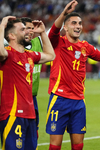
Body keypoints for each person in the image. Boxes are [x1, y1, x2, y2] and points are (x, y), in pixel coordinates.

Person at [46, 1, 100, 150]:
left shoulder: (85, 47)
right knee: (55, 146)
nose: (78, 26)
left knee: (78, 146)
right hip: (59, 99)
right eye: (73, 23)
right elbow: (53, 31)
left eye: (80, 23)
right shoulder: (57, 42)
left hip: (79, 102)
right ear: (65, 27)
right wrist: (64, 14)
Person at [0, 16, 55, 150]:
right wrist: (2, 26)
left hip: (30, 114)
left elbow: (51, 55)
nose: (28, 31)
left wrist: (42, 33)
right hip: (12, 114)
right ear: (12, 35)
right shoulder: (7, 54)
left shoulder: (29, 55)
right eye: (23, 29)